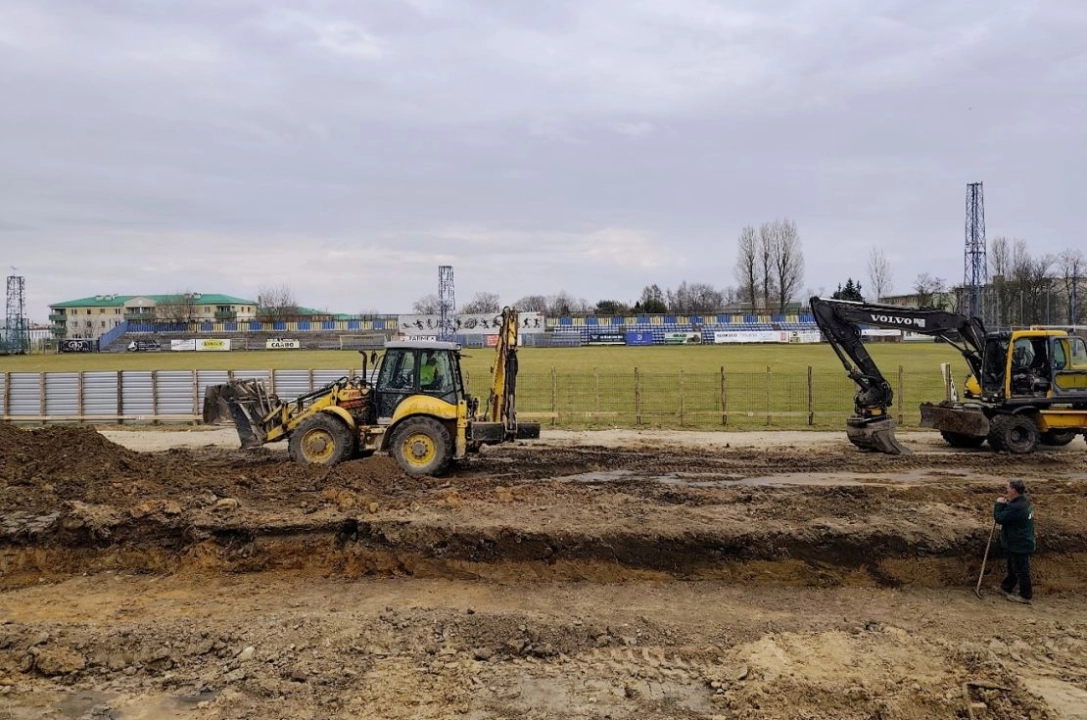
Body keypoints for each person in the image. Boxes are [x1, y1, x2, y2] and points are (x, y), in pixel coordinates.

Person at [994, 479, 1036, 604]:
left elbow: (1000, 518)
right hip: (1019, 541)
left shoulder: (1016, 507)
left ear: (1014, 490)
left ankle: (1025, 596)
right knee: (1013, 568)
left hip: (1020, 544)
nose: (1006, 489)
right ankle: (1006, 588)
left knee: (1022, 571)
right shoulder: (1023, 502)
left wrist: (998, 505)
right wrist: (1007, 504)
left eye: (1008, 487)